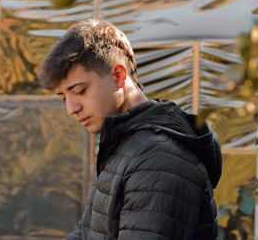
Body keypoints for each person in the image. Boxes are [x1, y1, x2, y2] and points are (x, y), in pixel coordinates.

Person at [39, 19, 222, 240]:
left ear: (118, 76)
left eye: (79, 90)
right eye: (63, 98)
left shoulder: (158, 160)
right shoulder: (126, 145)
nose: (71, 109)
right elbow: (87, 233)